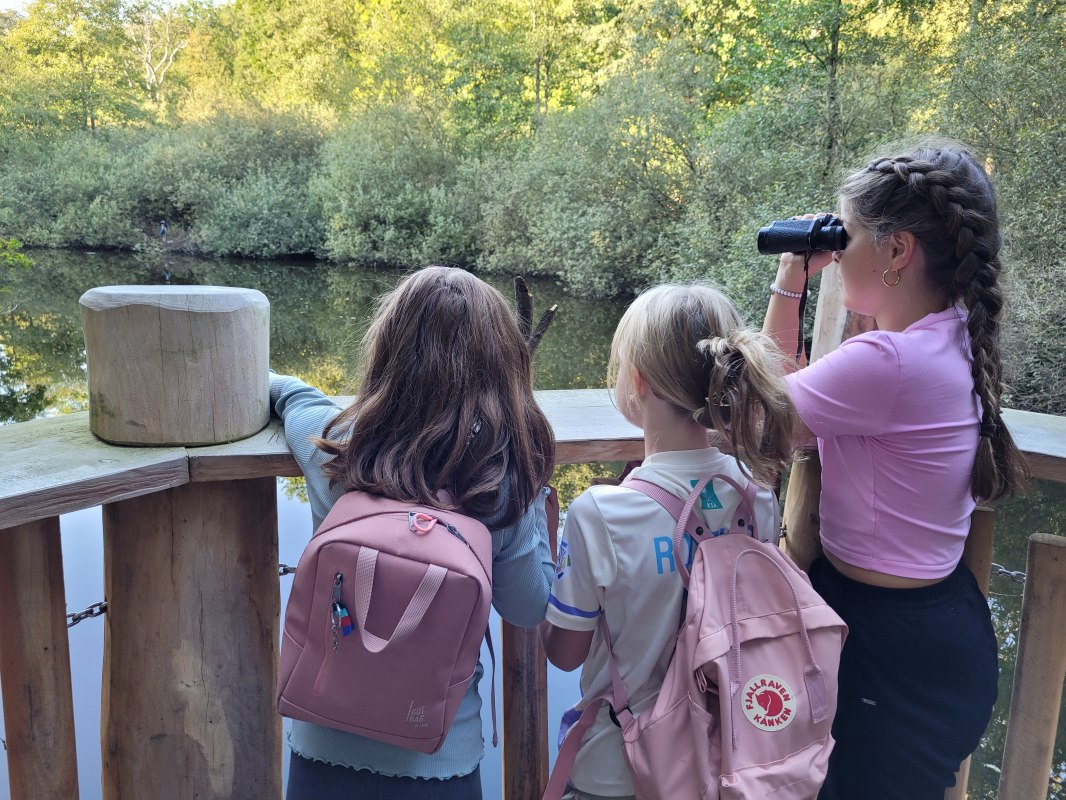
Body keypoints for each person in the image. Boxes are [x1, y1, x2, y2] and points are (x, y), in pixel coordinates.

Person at [761, 139, 1028, 799]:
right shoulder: (956, 333)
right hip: (940, 627)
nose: (837, 249)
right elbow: (796, 399)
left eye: (845, 235)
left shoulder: (888, 362)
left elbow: (764, 412)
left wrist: (792, 273)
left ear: (897, 250)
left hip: (883, 648)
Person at [271, 266, 557, 800]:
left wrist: (275, 384)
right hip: (439, 755)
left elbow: (290, 396)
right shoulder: (500, 472)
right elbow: (529, 606)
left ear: (387, 352)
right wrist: (537, 501)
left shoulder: (335, 445)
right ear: (500, 366)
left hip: (322, 744)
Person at [540, 283, 793, 799]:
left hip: (617, 771)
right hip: (721, 766)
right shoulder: (755, 496)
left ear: (637, 382)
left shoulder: (601, 514)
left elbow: (564, 653)